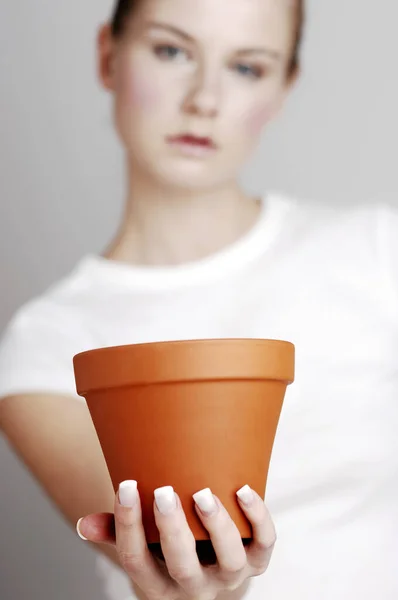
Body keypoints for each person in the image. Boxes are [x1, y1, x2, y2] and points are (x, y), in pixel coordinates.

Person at [0, 0, 397, 598]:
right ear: (108, 56)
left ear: (284, 87)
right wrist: (210, 588)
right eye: (172, 51)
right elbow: (174, 562)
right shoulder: (46, 342)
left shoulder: (379, 249)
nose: (205, 99)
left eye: (248, 67)